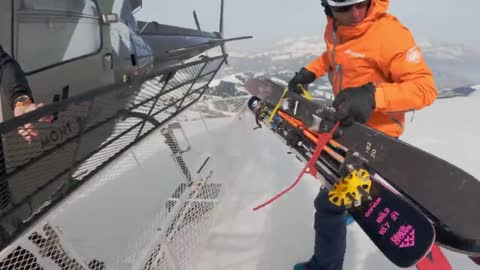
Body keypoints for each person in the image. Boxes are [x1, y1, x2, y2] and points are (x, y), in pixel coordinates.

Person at [288, 0, 437, 269]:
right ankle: (352, 207)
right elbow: (335, 56)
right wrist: (311, 71)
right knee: (344, 195)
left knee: (328, 206)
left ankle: (326, 266)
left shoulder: (389, 34)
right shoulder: (334, 28)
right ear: (328, 8)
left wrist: (373, 95)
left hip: (377, 138)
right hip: (349, 132)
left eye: (361, 3)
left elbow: (424, 89)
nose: (355, 13)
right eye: (344, 7)